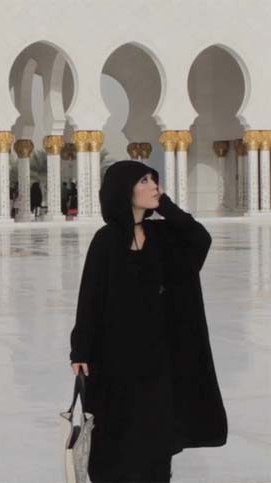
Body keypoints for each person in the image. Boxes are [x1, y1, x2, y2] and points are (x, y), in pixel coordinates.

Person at [69, 160, 227, 482]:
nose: (154, 186)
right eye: (144, 181)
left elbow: (200, 239)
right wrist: (80, 350)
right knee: (115, 440)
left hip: (158, 360)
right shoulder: (106, 241)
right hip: (115, 360)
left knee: (157, 441)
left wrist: (165, 206)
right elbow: (90, 299)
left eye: (154, 180)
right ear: (124, 190)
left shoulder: (163, 235)